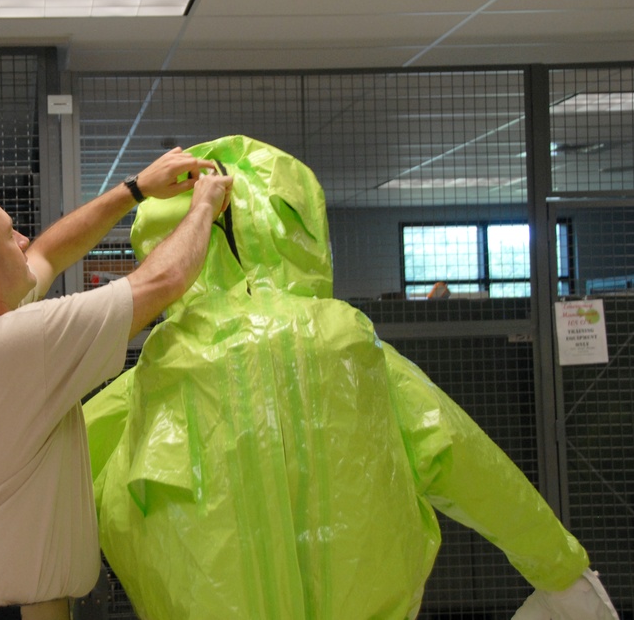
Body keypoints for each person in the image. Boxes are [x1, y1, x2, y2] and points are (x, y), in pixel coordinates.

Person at [84, 135, 620, 620]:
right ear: (305, 228)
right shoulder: (355, 350)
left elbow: (52, 467)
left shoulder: (160, 368)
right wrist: (559, 571)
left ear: (163, 239)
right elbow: (466, 458)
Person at [0, 147, 233, 620]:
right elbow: (164, 279)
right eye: (10, 236)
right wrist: (204, 207)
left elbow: (51, 251)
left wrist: (136, 189)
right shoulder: (9, 348)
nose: (23, 240)